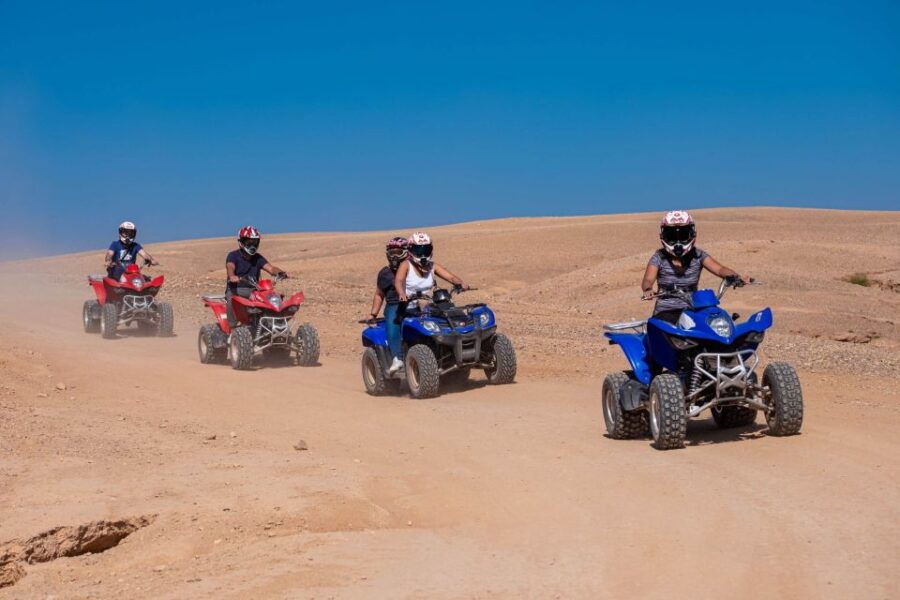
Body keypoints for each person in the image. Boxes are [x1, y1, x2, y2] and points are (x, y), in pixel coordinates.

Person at [641, 211, 751, 323]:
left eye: (683, 235)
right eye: (672, 236)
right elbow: (648, 279)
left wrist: (736, 277)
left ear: (691, 234)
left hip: (693, 310)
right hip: (666, 312)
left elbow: (720, 269)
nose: (678, 241)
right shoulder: (659, 258)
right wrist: (648, 289)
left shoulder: (698, 256)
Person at [392, 231, 470, 373]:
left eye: (425, 249)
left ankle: (458, 348)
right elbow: (398, 281)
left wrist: (460, 283)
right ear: (410, 250)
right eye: (418, 249)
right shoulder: (406, 265)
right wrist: (402, 293)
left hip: (431, 305)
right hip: (411, 308)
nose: (422, 253)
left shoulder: (432, 266)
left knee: (452, 315)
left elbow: (450, 277)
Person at [225, 226, 289, 326]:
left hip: (255, 290)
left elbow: (271, 268)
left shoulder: (258, 258)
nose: (252, 245)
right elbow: (230, 266)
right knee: (231, 299)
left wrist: (280, 273)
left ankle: (276, 325)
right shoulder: (233, 255)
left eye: (255, 242)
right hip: (237, 289)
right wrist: (232, 276)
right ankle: (232, 329)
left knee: (275, 297)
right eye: (249, 242)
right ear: (241, 242)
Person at [367, 237, 408, 374]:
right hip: (394, 305)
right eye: (392, 252)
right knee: (392, 324)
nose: (395, 255)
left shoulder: (413, 269)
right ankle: (397, 358)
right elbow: (379, 294)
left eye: (398, 252)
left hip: (414, 303)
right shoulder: (384, 273)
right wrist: (373, 314)